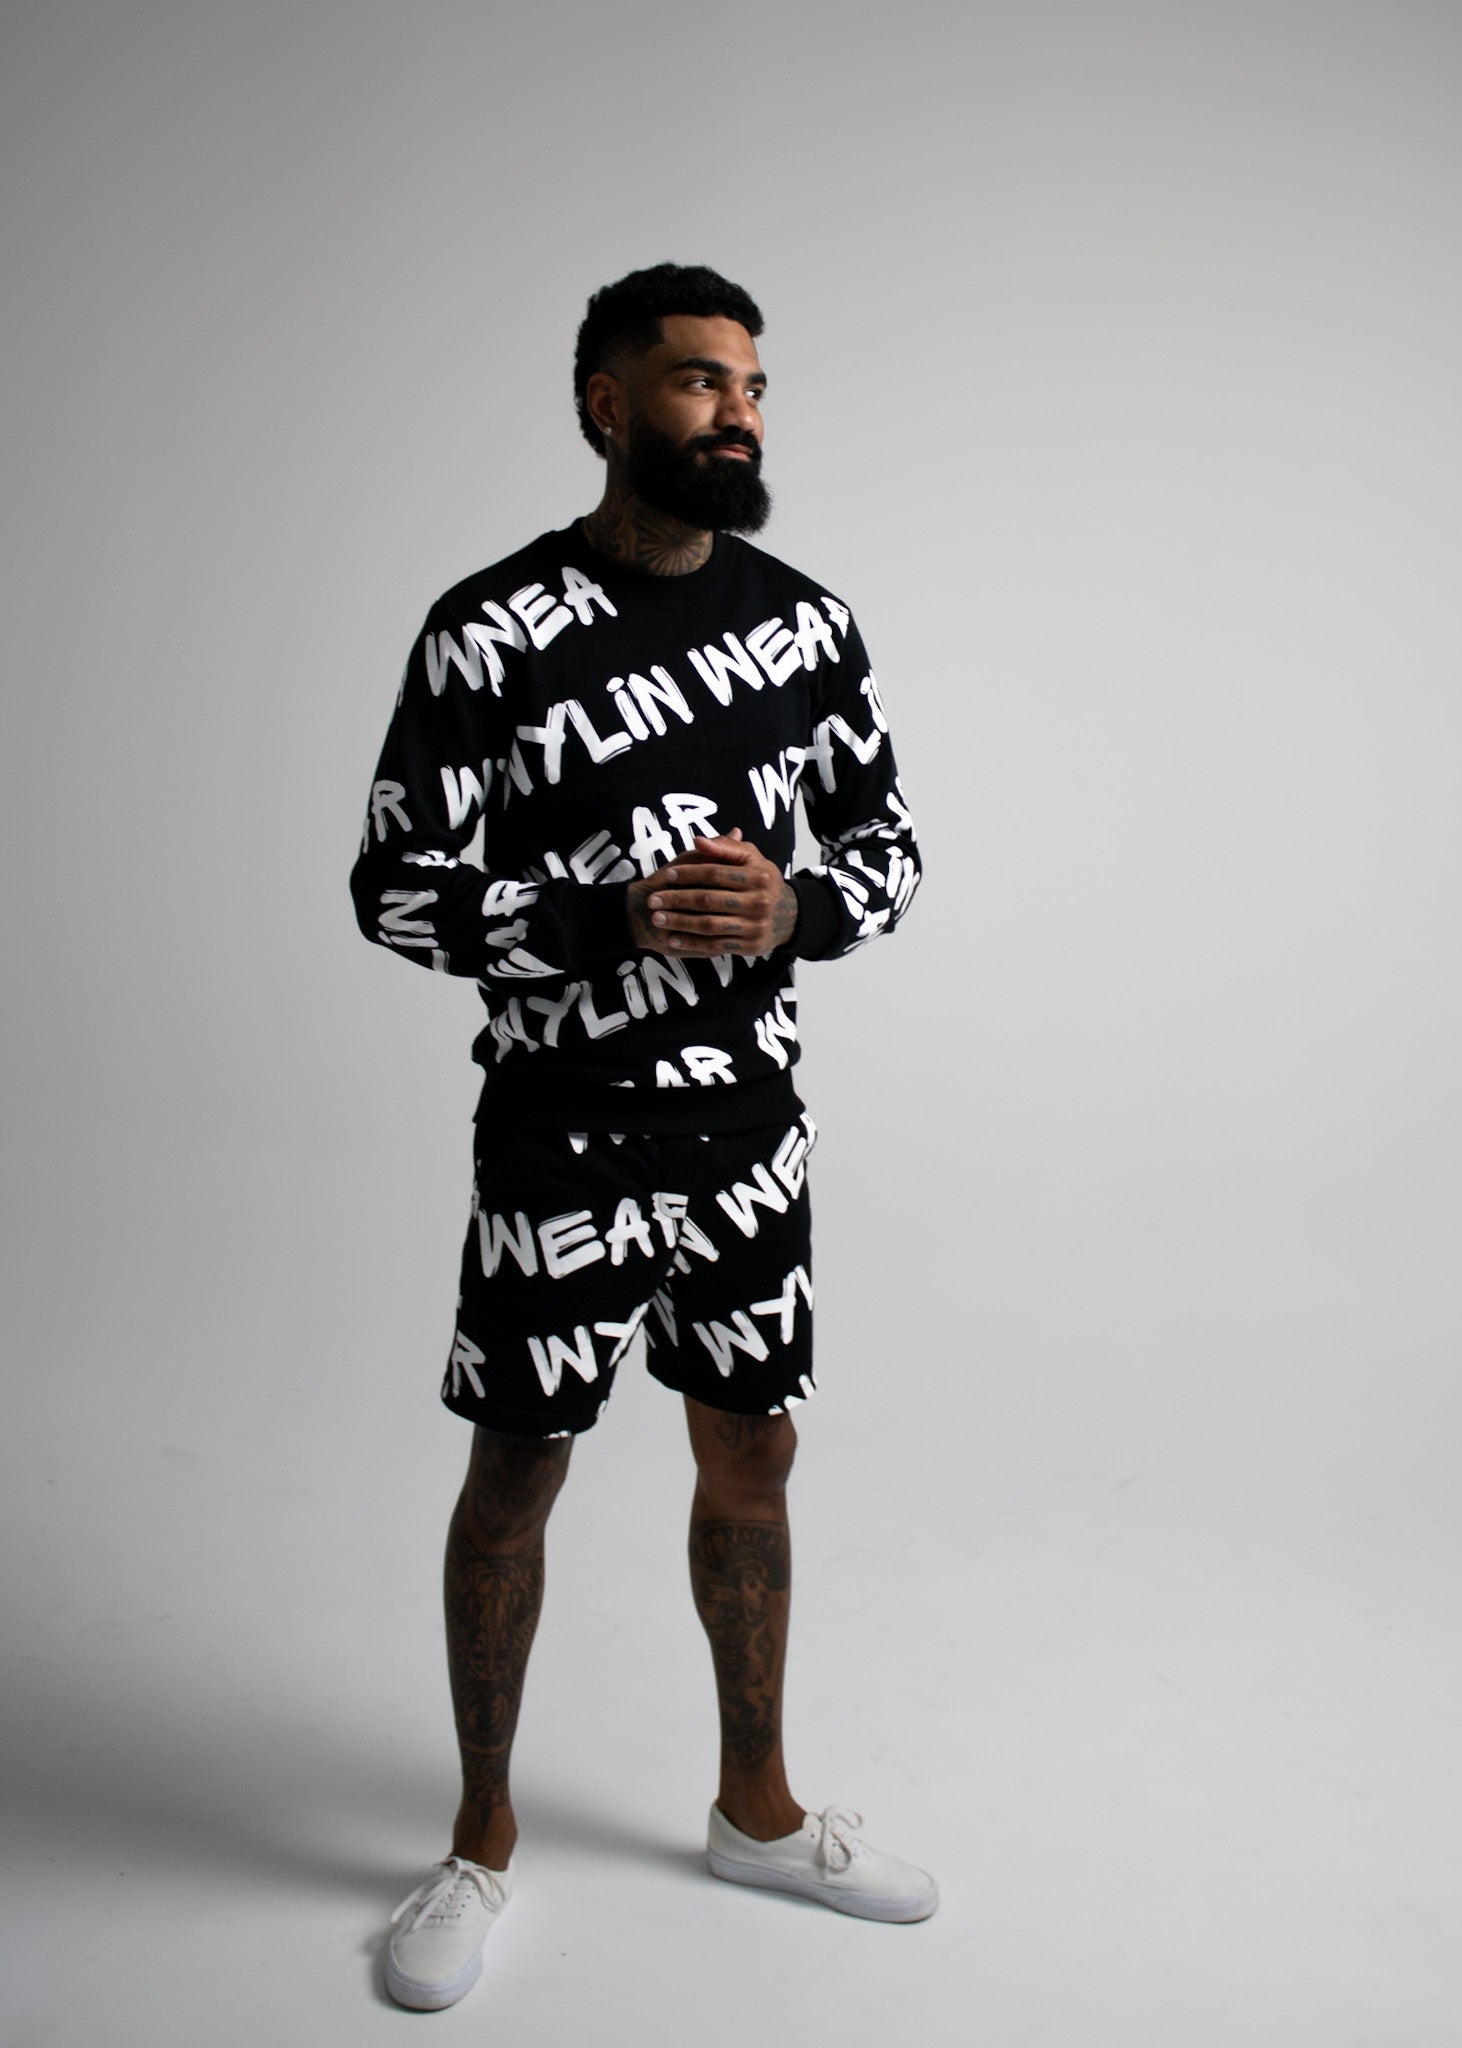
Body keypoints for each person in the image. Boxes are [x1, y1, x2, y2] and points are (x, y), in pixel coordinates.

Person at [351, 262, 934, 2012]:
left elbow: (891, 853)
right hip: (561, 1133)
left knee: (752, 1459)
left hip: (748, 1132)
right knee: (518, 1469)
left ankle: (757, 1812)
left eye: (750, 386)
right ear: (605, 404)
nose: (733, 413)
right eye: (694, 382)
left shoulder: (806, 627)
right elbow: (393, 888)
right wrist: (603, 920)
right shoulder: (490, 629)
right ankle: (478, 1841)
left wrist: (796, 909)